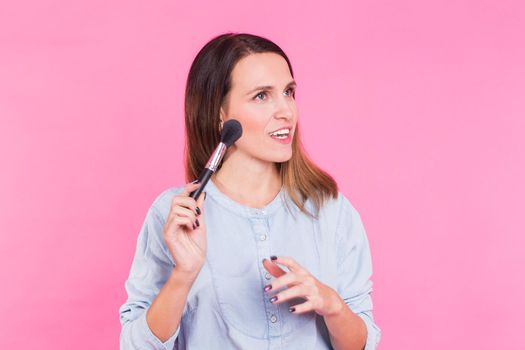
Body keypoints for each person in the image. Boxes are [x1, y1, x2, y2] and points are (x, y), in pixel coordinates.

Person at [119, 32, 381, 350]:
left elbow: (361, 344)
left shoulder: (330, 210)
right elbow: (136, 346)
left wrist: (333, 306)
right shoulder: (175, 213)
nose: (286, 110)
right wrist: (183, 275)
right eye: (261, 96)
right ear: (220, 114)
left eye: (289, 92)